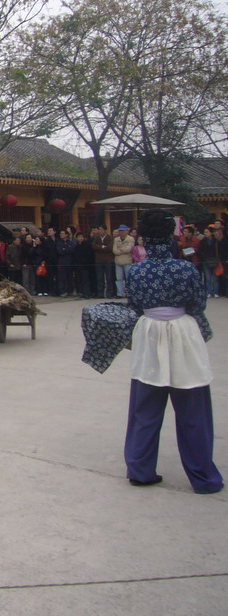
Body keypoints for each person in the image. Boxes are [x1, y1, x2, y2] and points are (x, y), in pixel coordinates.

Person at [122, 209, 222, 494]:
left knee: (145, 407)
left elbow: (134, 306)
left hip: (150, 331)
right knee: (193, 409)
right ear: (171, 236)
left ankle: (140, 470)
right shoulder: (185, 269)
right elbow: (197, 304)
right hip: (182, 332)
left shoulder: (137, 271)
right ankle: (203, 478)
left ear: (143, 237)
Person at [92, 225, 115, 298]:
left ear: (105, 230)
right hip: (99, 260)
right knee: (99, 277)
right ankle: (100, 293)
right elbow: (94, 246)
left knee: (109, 277)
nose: (99, 231)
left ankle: (109, 293)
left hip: (108, 260)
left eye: (101, 229)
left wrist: (100, 247)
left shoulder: (110, 237)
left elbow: (109, 248)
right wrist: (102, 246)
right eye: (99, 229)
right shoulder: (97, 238)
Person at [113, 225, 135, 298]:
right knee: (119, 278)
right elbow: (114, 250)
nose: (121, 232)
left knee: (128, 278)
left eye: (123, 230)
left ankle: (129, 293)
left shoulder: (131, 239)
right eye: (120, 231)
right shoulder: (116, 239)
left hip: (127, 261)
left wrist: (120, 249)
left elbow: (128, 249)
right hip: (118, 261)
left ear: (126, 231)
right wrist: (122, 250)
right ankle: (119, 293)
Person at [197, 227, 219, 298]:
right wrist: (204, 258)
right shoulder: (202, 241)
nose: (205, 233)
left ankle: (215, 291)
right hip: (205, 260)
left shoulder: (216, 241)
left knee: (215, 277)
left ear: (211, 233)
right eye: (204, 232)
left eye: (207, 232)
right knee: (208, 277)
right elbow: (200, 251)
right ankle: (209, 291)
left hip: (215, 260)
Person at [71, 232, 94, 298]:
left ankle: (87, 293)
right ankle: (82, 293)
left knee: (86, 280)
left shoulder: (87, 245)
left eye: (81, 237)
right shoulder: (76, 246)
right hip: (78, 266)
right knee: (79, 280)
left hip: (85, 266)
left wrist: (85, 262)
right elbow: (74, 256)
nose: (80, 238)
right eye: (79, 237)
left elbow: (89, 256)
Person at [56, 229, 76, 296]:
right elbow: (60, 252)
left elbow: (72, 250)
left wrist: (65, 249)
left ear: (66, 235)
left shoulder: (70, 242)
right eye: (60, 233)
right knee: (62, 278)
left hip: (70, 262)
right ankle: (63, 291)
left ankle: (70, 290)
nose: (61, 235)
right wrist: (66, 250)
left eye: (63, 233)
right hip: (62, 263)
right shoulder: (59, 242)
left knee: (70, 277)